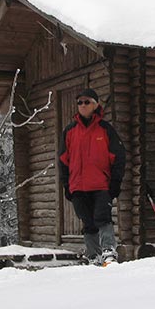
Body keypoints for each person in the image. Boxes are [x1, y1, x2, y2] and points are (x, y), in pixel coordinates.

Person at [59, 88, 126, 265]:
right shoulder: (69, 131)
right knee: (88, 222)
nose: (82, 105)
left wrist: (115, 183)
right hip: (78, 186)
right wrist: (67, 185)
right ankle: (94, 256)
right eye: (79, 102)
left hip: (101, 185)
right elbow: (63, 160)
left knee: (103, 218)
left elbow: (119, 157)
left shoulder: (105, 129)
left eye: (86, 102)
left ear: (95, 105)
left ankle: (108, 252)